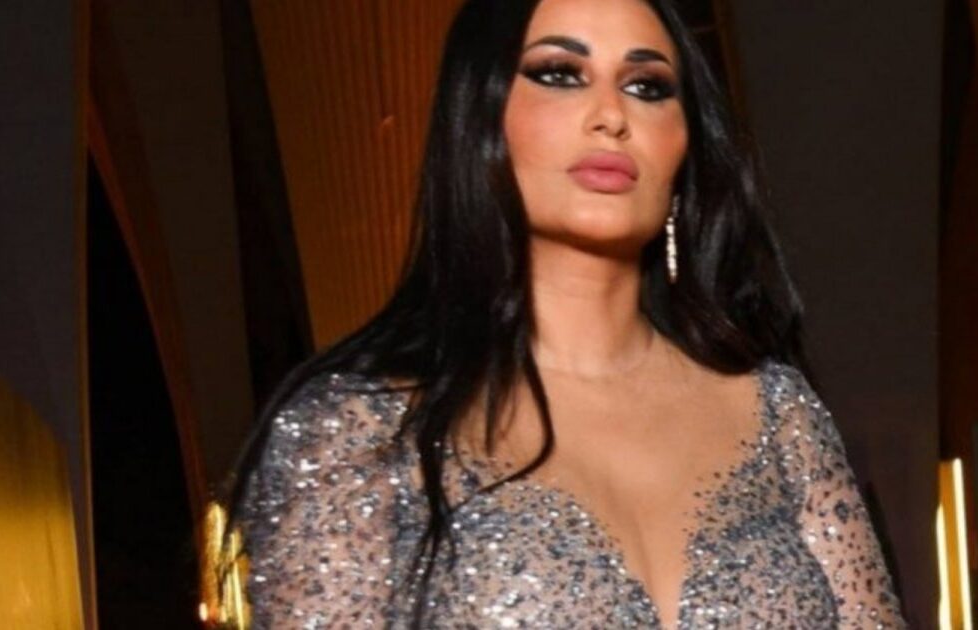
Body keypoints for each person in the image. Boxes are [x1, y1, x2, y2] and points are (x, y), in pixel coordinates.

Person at [224, 0, 908, 627]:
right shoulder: (356, 431)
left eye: (647, 86)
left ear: (685, 145)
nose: (611, 115)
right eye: (559, 74)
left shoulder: (779, 416)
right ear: (481, 117)